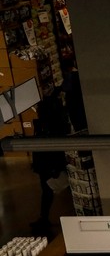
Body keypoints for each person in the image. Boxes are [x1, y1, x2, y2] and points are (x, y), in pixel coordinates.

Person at [30, 92, 70, 235]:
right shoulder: (54, 123)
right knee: (47, 190)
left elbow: (51, 147)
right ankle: (44, 217)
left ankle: (44, 217)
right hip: (46, 164)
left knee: (47, 190)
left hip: (47, 164)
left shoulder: (50, 125)